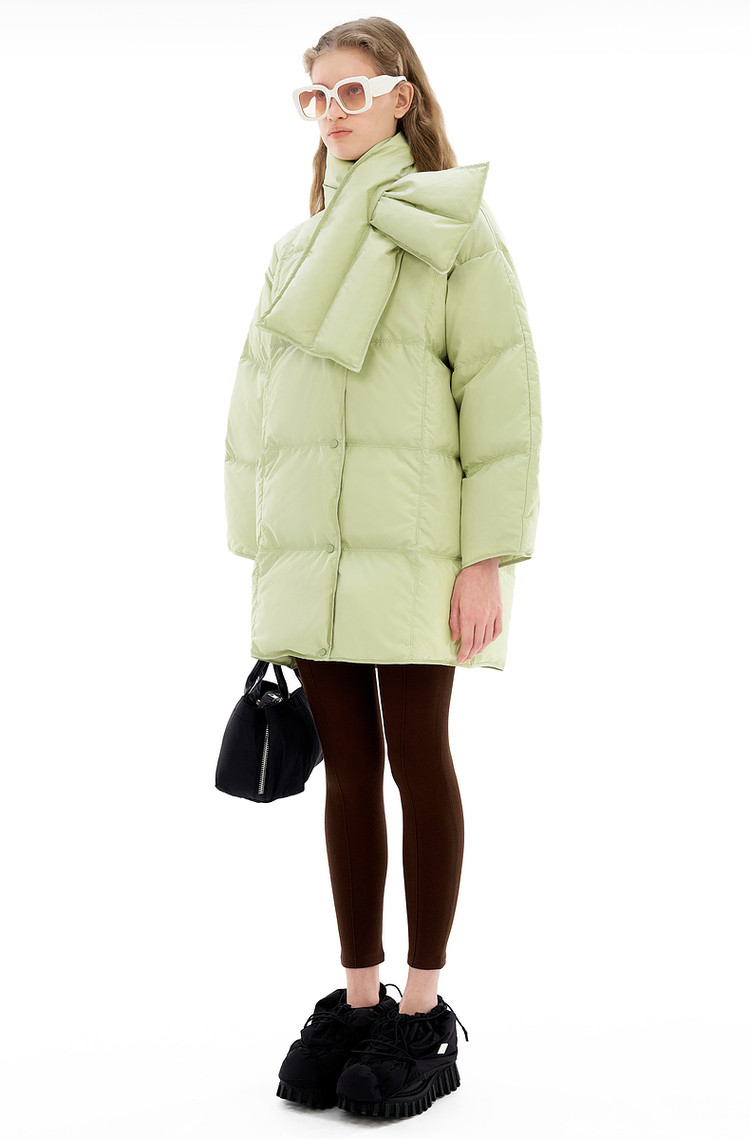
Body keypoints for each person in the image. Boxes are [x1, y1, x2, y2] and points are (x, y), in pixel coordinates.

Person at [223, 16, 542, 1118]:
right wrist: (262, 549)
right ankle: (358, 1000)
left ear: (402, 96)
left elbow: (501, 395)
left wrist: (486, 554)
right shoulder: (294, 251)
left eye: (352, 91)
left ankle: (421, 1007)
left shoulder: (454, 228)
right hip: (310, 551)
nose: (333, 113)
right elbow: (253, 413)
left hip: (416, 548)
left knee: (419, 760)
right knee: (349, 773)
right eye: (316, 96)